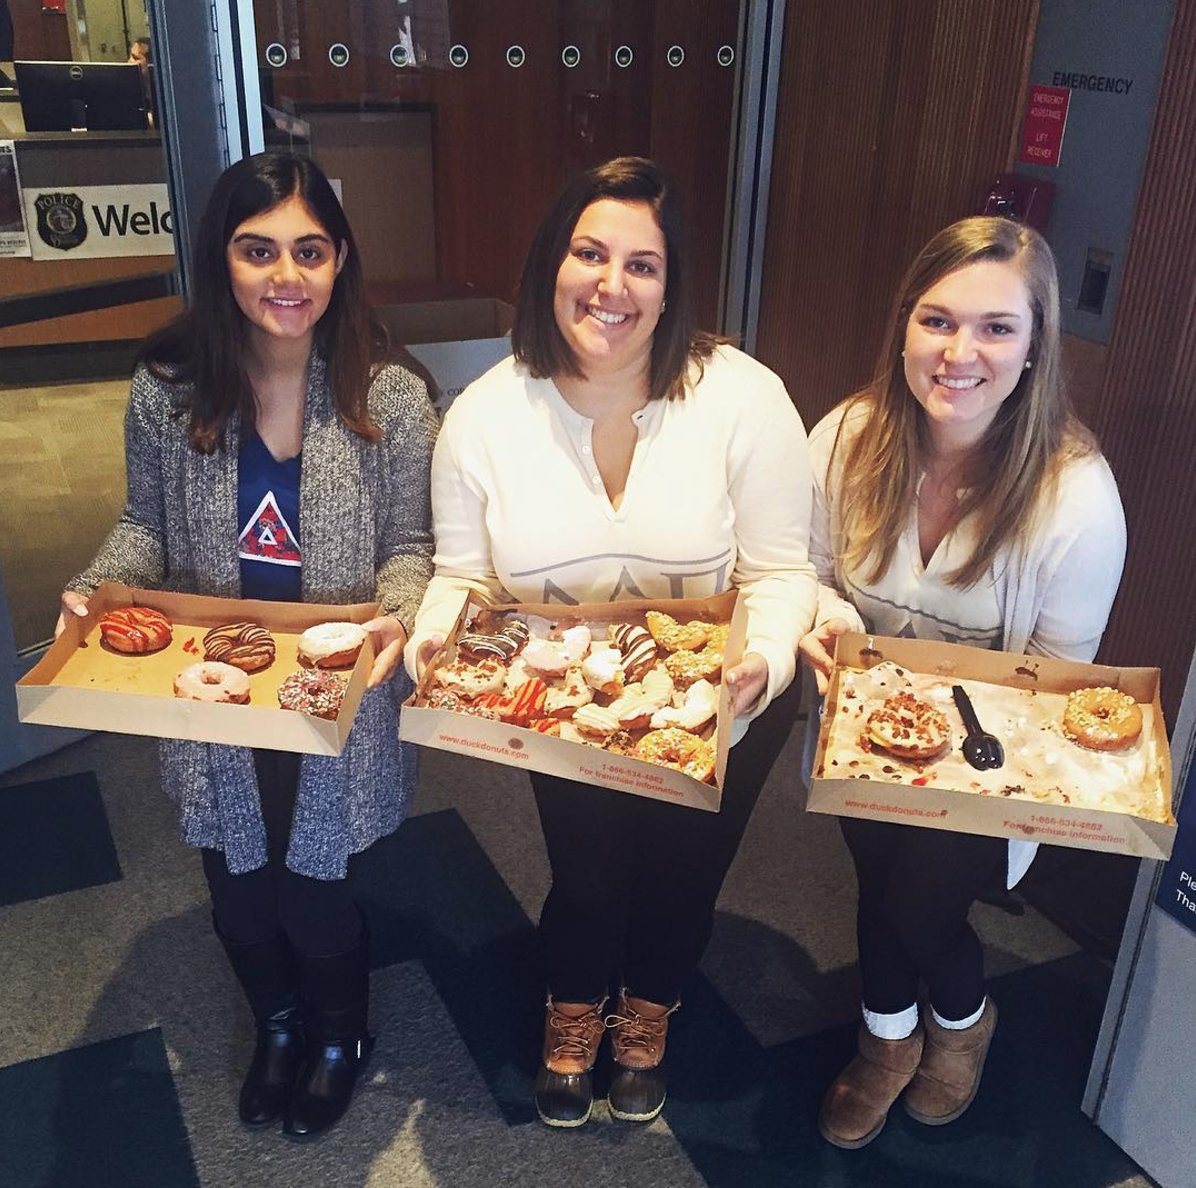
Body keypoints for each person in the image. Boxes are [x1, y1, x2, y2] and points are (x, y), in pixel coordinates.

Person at [405, 156, 818, 1127]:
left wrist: (761, 666)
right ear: (553, 260)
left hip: (729, 690)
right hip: (566, 698)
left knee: (683, 877)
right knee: (587, 878)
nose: (611, 284)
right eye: (590, 252)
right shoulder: (483, 415)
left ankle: (646, 1011)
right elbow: (462, 577)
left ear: (671, 286)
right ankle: (571, 1004)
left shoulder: (743, 398)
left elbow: (779, 574)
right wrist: (435, 639)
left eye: (643, 264)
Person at [58, 151, 437, 1140]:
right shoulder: (170, 384)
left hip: (333, 699)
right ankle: (277, 1024)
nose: (286, 276)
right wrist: (98, 587)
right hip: (211, 692)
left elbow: (410, 547)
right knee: (238, 898)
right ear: (221, 259)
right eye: (257, 250)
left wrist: (396, 611)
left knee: (318, 897)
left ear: (340, 259)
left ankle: (336, 1036)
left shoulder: (387, 396)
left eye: (309, 251)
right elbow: (145, 525)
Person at [799, 216, 1126, 1148]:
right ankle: (907, 1035)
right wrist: (827, 631)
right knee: (878, 884)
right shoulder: (848, 436)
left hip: (989, 762)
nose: (960, 352)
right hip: (859, 730)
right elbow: (810, 576)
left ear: (1034, 349)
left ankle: (940, 1031)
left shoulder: (1077, 497)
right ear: (905, 327)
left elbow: (1059, 690)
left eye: (995, 328)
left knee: (916, 906)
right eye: (938, 321)